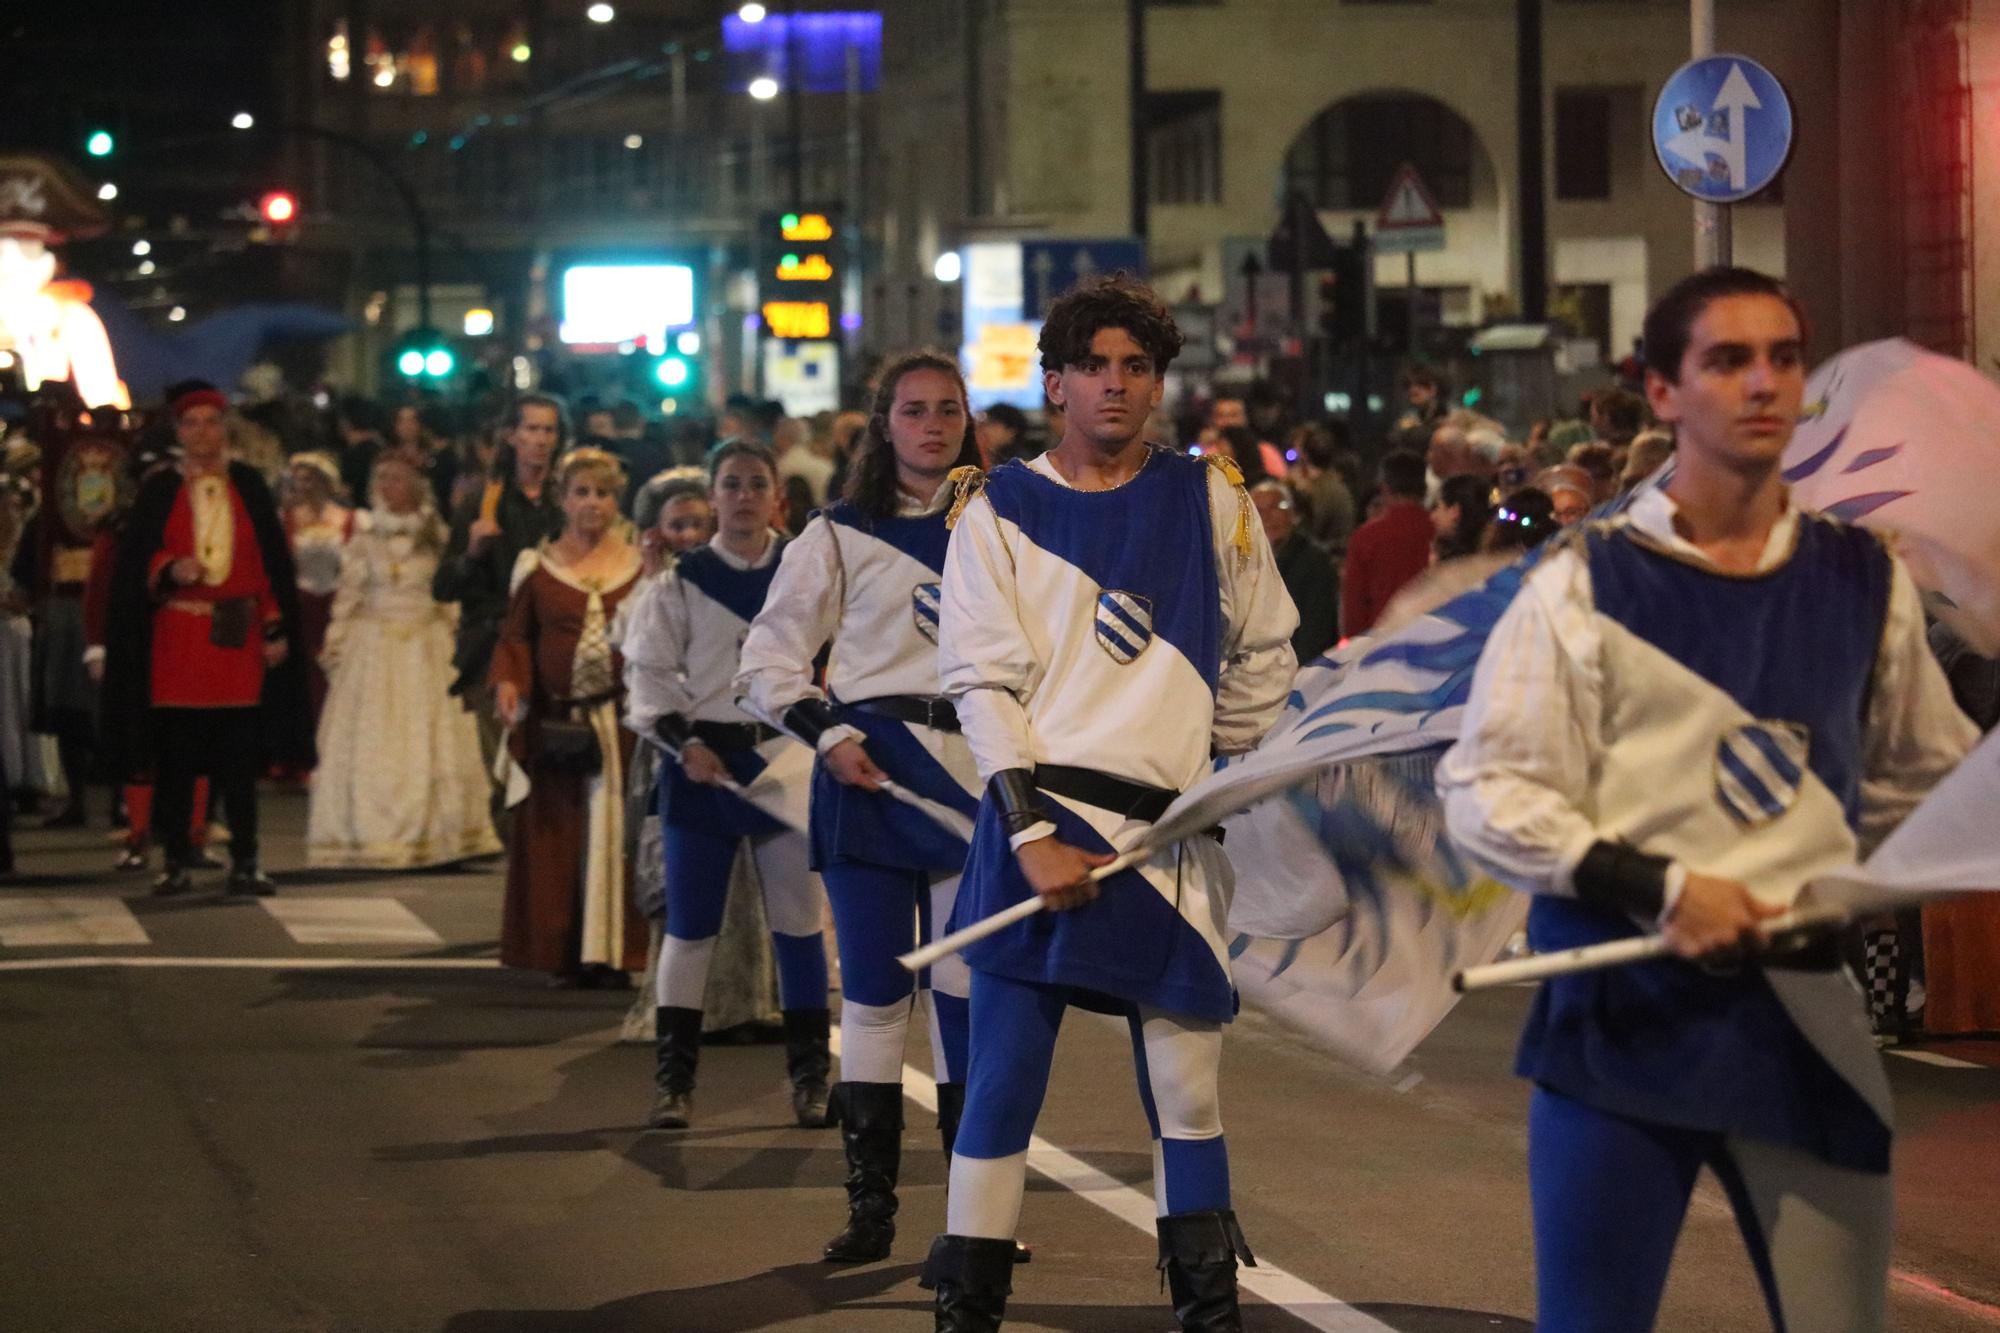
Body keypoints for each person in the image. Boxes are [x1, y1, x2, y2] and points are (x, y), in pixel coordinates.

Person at [1437, 267, 1976, 1332]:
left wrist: (1880, 861)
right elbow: (1486, 790)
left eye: (1782, 357)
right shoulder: (1579, 581)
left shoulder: (1861, 577)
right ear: (1662, 392)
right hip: (1620, 1028)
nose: (1762, 382)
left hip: (1803, 1019)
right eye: (1726, 360)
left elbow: (1928, 774)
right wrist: (1660, 883)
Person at [925, 276, 1297, 1330]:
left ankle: (1207, 1314)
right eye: (1095, 364)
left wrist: (1215, 756)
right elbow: (979, 683)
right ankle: (968, 1312)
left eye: (1137, 366)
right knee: (1000, 1090)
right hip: (1033, 831)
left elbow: (1265, 642)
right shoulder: (996, 507)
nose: (1117, 384)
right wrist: (1032, 832)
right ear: (1055, 382)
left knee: (1187, 1094)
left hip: (1168, 838)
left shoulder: (1208, 495)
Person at [738, 351, 987, 1265]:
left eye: (948, 410)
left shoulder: (1006, 529)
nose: (932, 425)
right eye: (914, 410)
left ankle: (975, 1215)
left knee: (966, 1001)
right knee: (879, 1001)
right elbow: (768, 662)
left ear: (968, 422)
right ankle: (871, 1208)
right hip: (869, 776)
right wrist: (830, 734)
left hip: (978, 779)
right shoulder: (835, 534)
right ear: (883, 423)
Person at [621, 440, 832, 1129]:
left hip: (785, 760)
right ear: (712, 497)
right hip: (703, 765)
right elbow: (649, 679)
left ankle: (811, 1079)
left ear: (779, 498)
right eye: (730, 483)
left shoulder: (807, 571)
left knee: (798, 927)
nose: (743, 495)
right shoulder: (680, 580)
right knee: (691, 929)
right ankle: (673, 1082)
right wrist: (685, 745)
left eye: (755, 484)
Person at [99, 381, 312, 897]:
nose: (203, 432)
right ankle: (174, 860)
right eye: (192, 423)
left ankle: (247, 860)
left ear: (225, 429)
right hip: (179, 639)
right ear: (179, 431)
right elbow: (135, 562)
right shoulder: (160, 489)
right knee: (175, 759)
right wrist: (169, 568)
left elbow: (271, 562)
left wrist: (274, 623)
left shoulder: (250, 485)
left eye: (212, 422)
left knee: (240, 761)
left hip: (235, 641)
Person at [489, 447, 648, 987]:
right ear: (562, 499)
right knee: (562, 837)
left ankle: (619, 952)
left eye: (602, 493)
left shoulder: (639, 564)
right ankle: (565, 950)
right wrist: (510, 683)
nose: (592, 504)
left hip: (625, 724)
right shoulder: (539, 568)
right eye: (581, 492)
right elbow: (516, 637)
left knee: (621, 835)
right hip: (560, 725)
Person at [307, 453, 499, 869]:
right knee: (376, 737)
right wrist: (336, 642)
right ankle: (370, 834)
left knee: (430, 736)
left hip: (424, 643)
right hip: (374, 644)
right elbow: (350, 593)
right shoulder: (365, 536)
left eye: (400, 479)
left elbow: (447, 594)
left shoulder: (435, 534)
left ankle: (440, 833)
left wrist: (457, 640)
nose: (391, 487)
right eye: (384, 479)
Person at [435, 394, 567, 758]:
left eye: (548, 430)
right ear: (512, 435)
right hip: (493, 648)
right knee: (504, 768)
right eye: (531, 429)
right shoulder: (483, 501)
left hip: (555, 647)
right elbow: (443, 587)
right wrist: (472, 553)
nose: (540, 439)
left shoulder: (566, 502)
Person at [282, 452, 354, 739]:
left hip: (336, 602)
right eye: (298, 480)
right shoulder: (287, 518)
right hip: (302, 603)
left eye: (309, 479)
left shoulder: (346, 519)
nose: (303, 486)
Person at [1340, 449, 1433, 638]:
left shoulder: (1367, 537)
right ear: (1424, 487)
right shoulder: (1437, 531)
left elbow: (1354, 609)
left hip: (1380, 643)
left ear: (1384, 487)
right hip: (1430, 639)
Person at [1251, 478, 1338, 663]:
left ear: (1293, 513)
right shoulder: (1243, 562)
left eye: (1277, 507)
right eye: (1258, 510)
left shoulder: (1314, 560)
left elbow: (1318, 624)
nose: (1267, 517)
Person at [1430, 473, 1493, 563]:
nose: (1432, 516)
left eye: (1436, 507)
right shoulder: (1499, 558)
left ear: (1454, 511)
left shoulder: (1447, 566)